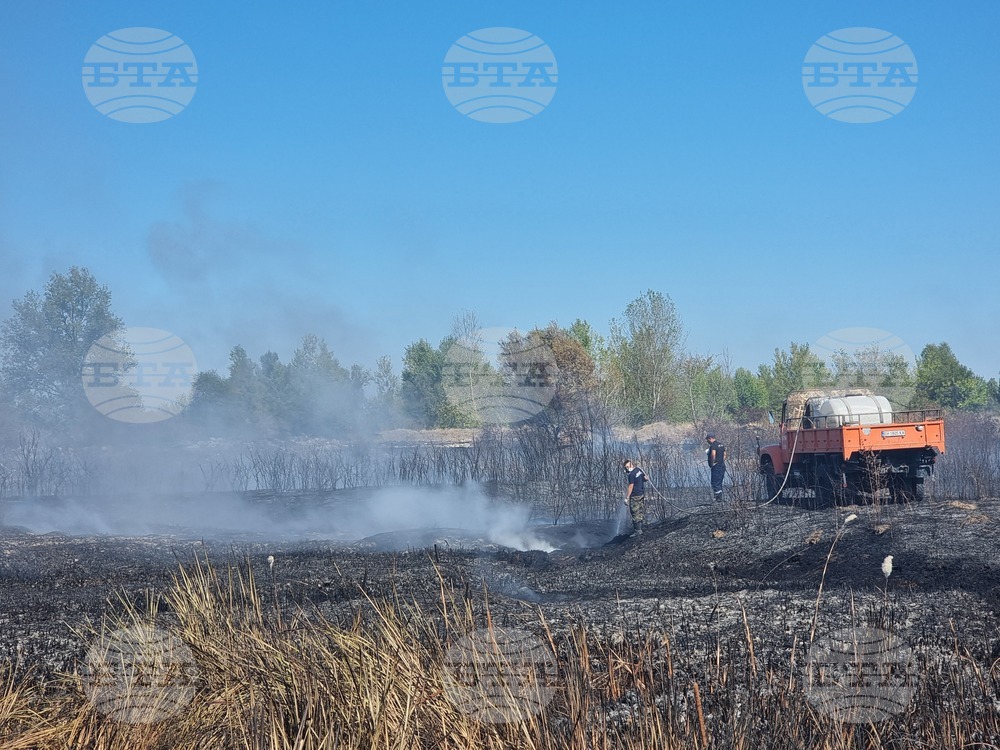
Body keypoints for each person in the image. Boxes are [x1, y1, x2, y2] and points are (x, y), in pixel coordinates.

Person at [622, 459, 647, 535]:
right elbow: (644, 479)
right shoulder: (638, 470)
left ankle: (638, 531)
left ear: (631, 465)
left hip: (635, 495)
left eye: (627, 467)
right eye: (626, 467)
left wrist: (627, 497)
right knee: (640, 511)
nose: (627, 468)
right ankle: (641, 528)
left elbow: (631, 486)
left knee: (635, 512)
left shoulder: (631, 475)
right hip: (641, 494)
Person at [706, 432, 726, 501]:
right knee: (719, 482)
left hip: (716, 466)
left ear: (710, 438)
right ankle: (719, 498)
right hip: (722, 465)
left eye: (707, 439)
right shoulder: (721, 445)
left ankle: (718, 498)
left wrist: (712, 463)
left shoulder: (713, 445)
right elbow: (725, 454)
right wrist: (721, 461)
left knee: (714, 482)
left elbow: (713, 454)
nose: (707, 441)